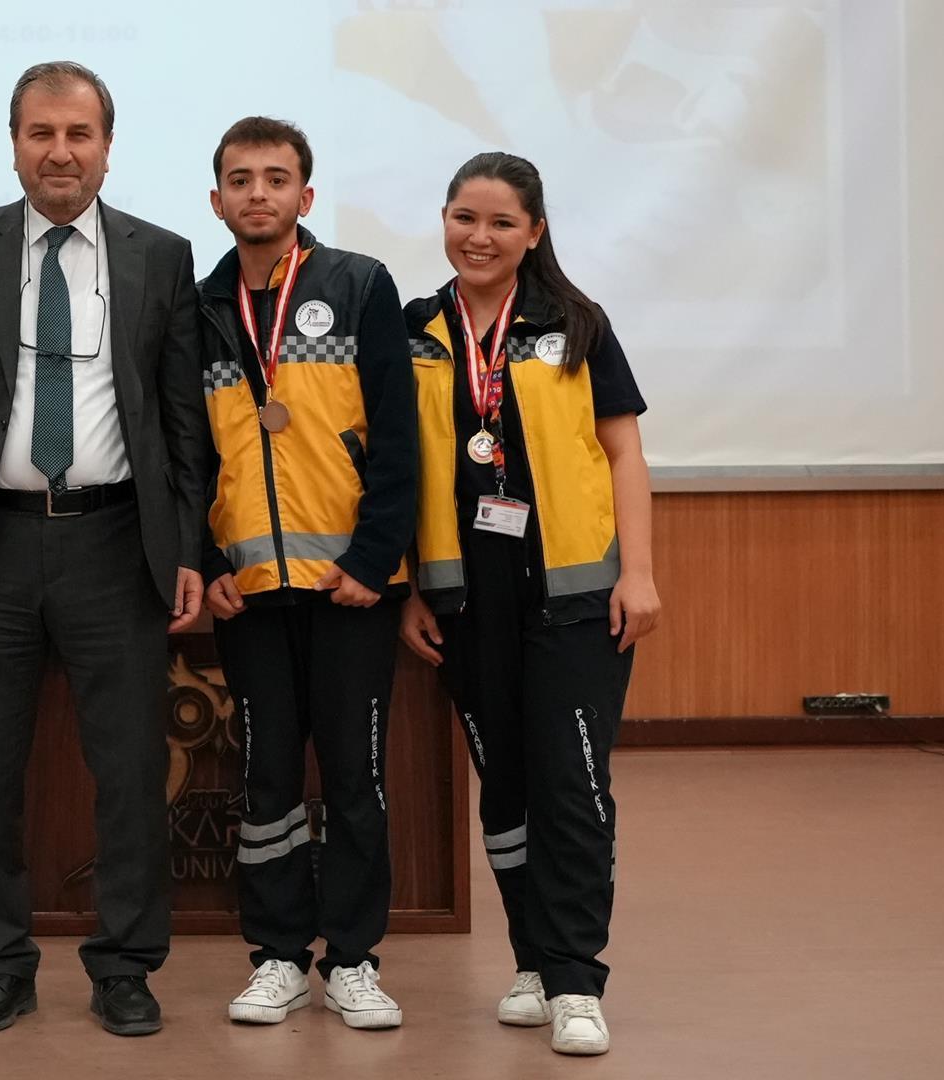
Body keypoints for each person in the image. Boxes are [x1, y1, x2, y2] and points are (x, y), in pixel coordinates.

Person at [0, 60, 208, 1037]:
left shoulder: (162, 255)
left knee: (131, 772)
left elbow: (183, 423)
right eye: (41, 133)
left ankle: (126, 965)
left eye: (78, 134)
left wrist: (187, 548)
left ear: (107, 146)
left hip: (116, 544)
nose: (60, 152)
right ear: (15, 143)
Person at [398, 151, 660, 1057]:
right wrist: (412, 589)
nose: (480, 237)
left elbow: (624, 454)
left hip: (575, 599)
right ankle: (533, 963)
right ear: (444, 220)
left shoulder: (575, 324)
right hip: (466, 600)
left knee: (572, 789)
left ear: (535, 231)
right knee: (504, 789)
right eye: (464, 218)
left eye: (502, 222)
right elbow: (398, 470)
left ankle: (578, 979)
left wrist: (638, 573)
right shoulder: (415, 328)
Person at [194, 119, 417, 1030]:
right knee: (267, 779)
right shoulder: (200, 306)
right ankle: (279, 956)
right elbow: (186, 452)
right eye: (241, 179)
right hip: (248, 593)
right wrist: (204, 560)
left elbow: (399, 437)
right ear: (217, 200)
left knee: (356, 778)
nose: (259, 193)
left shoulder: (359, 285)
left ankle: (354, 960)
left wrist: (372, 560)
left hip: (350, 589)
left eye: (277, 178)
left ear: (305, 196)